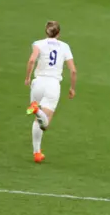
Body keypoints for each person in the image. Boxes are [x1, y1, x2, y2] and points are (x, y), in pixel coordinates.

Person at [25, 21, 77, 163]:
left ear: (46, 32)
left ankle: (37, 153)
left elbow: (31, 61)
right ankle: (37, 110)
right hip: (52, 86)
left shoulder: (38, 43)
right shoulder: (64, 47)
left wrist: (28, 77)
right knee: (44, 124)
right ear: (58, 33)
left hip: (38, 83)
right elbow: (73, 70)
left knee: (37, 121)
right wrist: (72, 88)